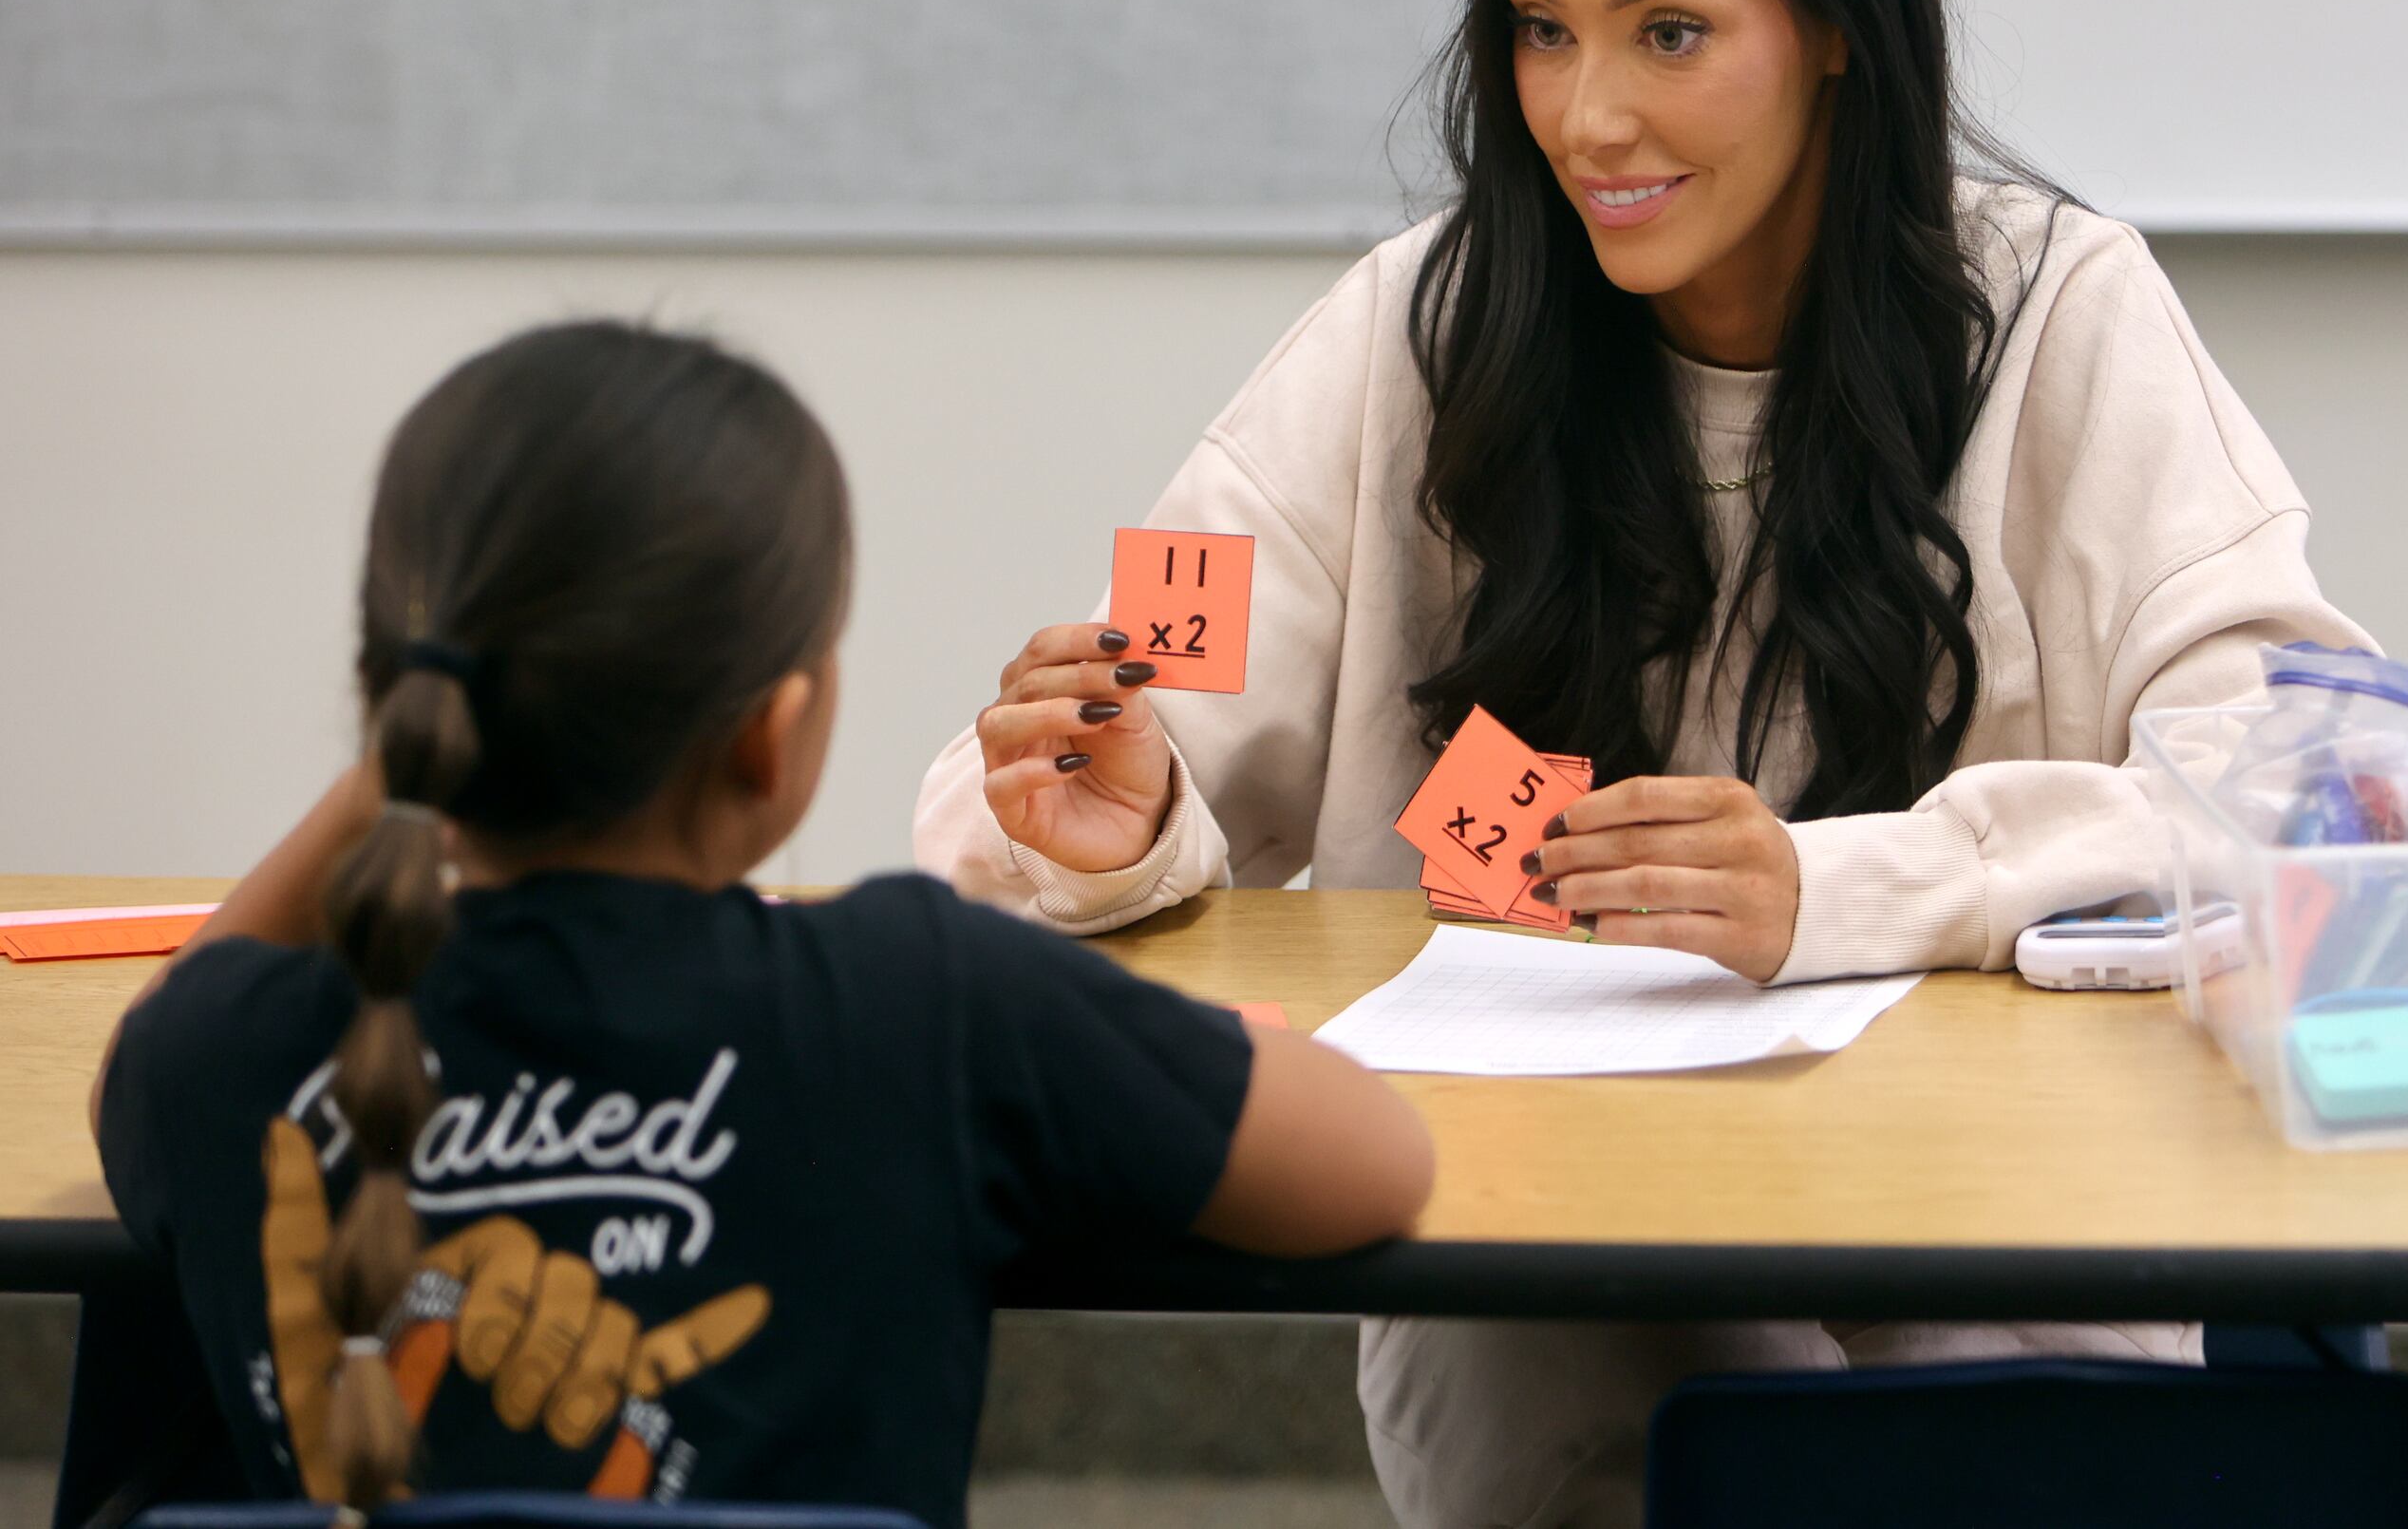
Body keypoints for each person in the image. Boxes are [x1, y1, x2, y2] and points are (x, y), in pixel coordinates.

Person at [915, 0, 2367, 1529]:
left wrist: (1836, 893)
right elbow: (1115, 699)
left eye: (1669, 32)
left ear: (1838, 26)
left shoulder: (2065, 316)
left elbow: (2304, 773)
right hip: (1557, 1273)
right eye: (1540, 34)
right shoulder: (1403, 337)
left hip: (1978, 1253)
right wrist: (1106, 813)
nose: (1588, 117)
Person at [93, 322, 1433, 1525]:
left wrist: (402, 757)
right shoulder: (928, 998)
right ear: (773, 731)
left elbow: (145, 1051)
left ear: (401, 704)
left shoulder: (217, 1060)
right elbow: (1379, 1163)